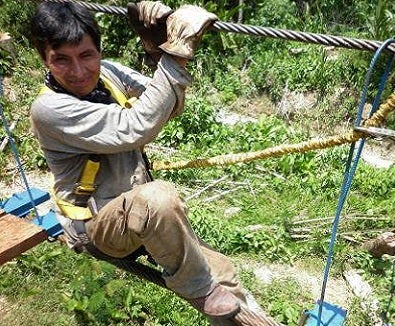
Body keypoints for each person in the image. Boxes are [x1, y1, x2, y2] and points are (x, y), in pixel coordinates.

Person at [29, 2, 265, 325]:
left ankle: (254, 317)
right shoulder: (49, 110)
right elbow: (136, 126)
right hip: (98, 226)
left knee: (222, 273)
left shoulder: (107, 72)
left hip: (138, 215)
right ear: (44, 60)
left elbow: (169, 103)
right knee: (159, 200)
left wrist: (156, 51)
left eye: (86, 55)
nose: (79, 71)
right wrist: (176, 53)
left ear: (98, 50)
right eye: (61, 60)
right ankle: (200, 289)